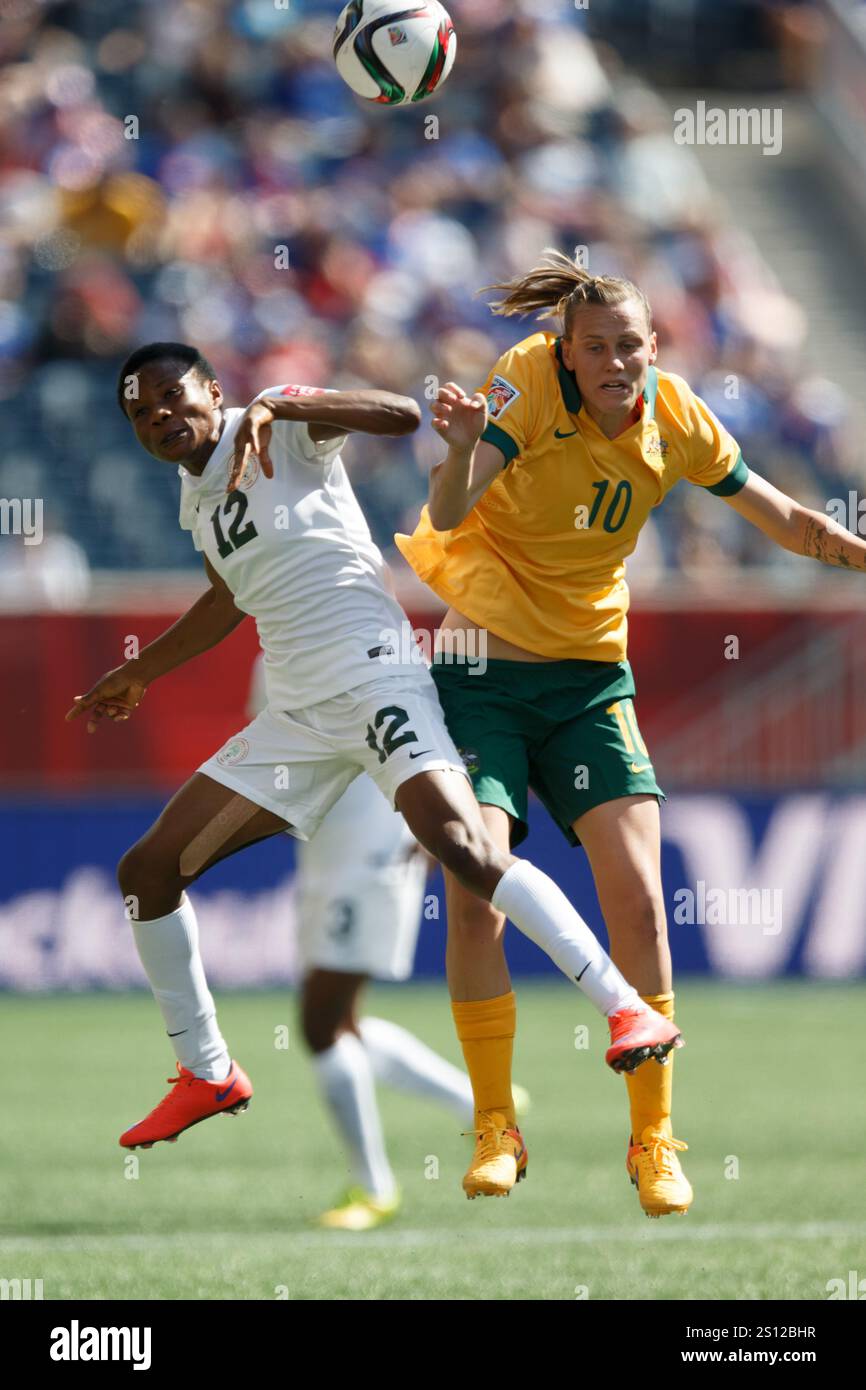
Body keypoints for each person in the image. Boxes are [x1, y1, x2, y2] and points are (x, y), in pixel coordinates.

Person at [65, 342, 680, 1203]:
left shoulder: (278, 422)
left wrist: (288, 404)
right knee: (148, 872)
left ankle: (625, 1007)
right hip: (300, 718)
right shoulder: (194, 494)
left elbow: (397, 413)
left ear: (214, 388)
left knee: (465, 849)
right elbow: (229, 596)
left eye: (174, 397)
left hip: (375, 676)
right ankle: (206, 1069)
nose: (161, 417)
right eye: (142, 412)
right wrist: (139, 671)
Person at [395, 248, 866, 1217]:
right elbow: (447, 512)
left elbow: (775, 512)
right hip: (479, 670)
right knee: (475, 884)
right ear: (563, 353)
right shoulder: (522, 382)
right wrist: (458, 446)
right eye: (594, 345)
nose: (613, 359)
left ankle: (651, 1138)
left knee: (642, 904)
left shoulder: (676, 415)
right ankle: (494, 1124)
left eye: (630, 345)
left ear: (654, 349)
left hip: (587, 681)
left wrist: (846, 548)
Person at [245, 652, 527, 1232]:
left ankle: (374, 1188)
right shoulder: (278, 651)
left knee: (321, 1022)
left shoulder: (372, 646)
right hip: (329, 859)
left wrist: (443, 821)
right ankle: (474, 1101)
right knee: (340, 1021)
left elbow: (441, 735)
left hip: (369, 858)